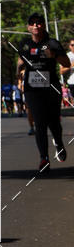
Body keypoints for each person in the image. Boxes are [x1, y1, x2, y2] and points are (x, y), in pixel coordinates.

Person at [17, 12, 70, 175]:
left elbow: (67, 63)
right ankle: (44, 158)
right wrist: (19, 74)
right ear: (28, 27)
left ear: (43, 25)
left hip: (51, 87)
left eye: (38, 23)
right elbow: (20, 62)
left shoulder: (52, 43)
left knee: (53, 122)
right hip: (32, 89)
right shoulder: (24, 44)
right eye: (32, 23)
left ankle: (59, 143)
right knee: (39, 123)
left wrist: (54, 55)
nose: (35, 25)